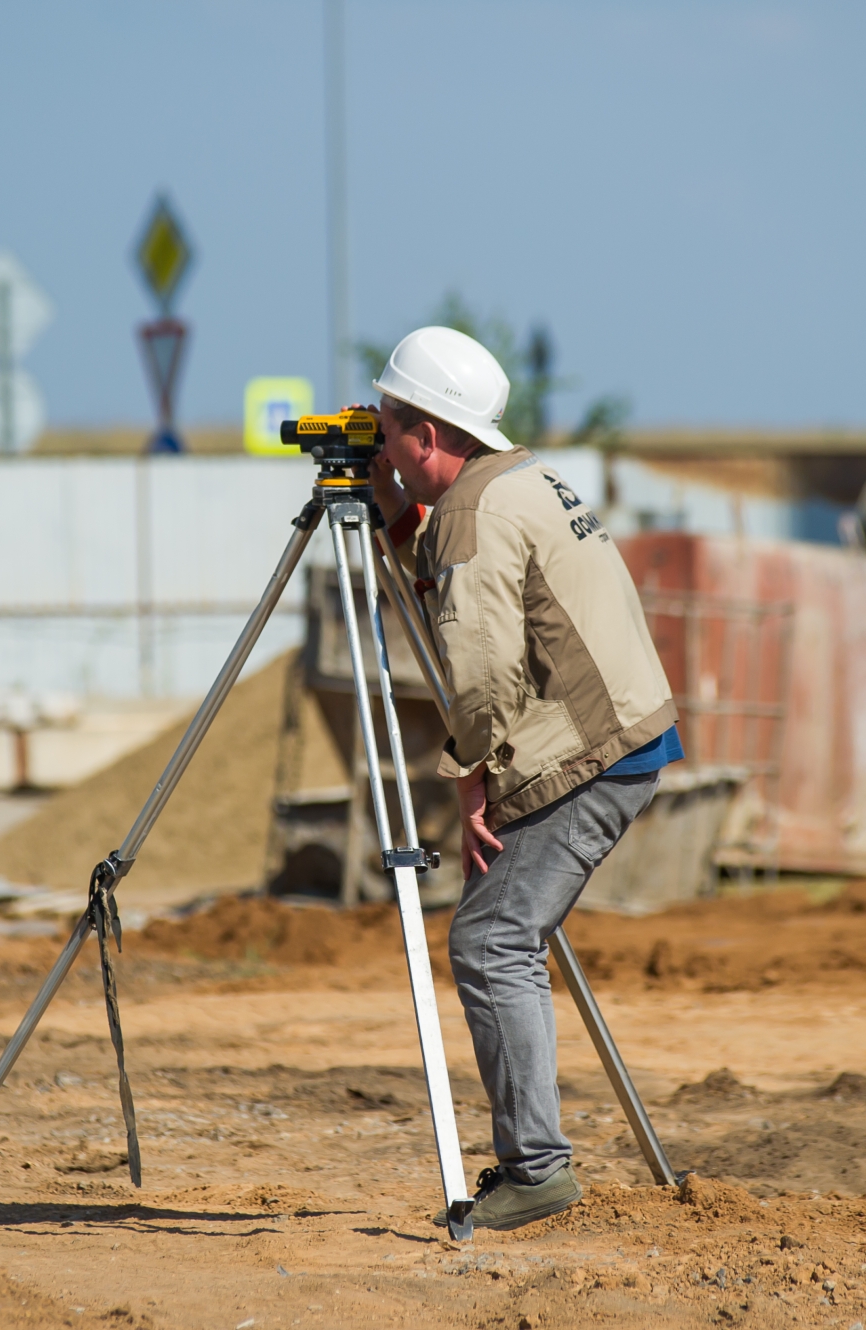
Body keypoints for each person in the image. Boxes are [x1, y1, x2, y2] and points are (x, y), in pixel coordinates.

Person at [366, 326, 682, 1231]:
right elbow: (461, 585)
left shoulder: (472, 513)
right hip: (620, 732)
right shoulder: (519, 481)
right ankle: (536, 1156)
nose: (380, 442)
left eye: (389, 428)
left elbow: (480, 670)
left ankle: (537, 1171)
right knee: (506, 929)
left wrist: (469, 777)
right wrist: (393, 510)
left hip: (588, 753)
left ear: (427, 435)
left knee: (490, 941)